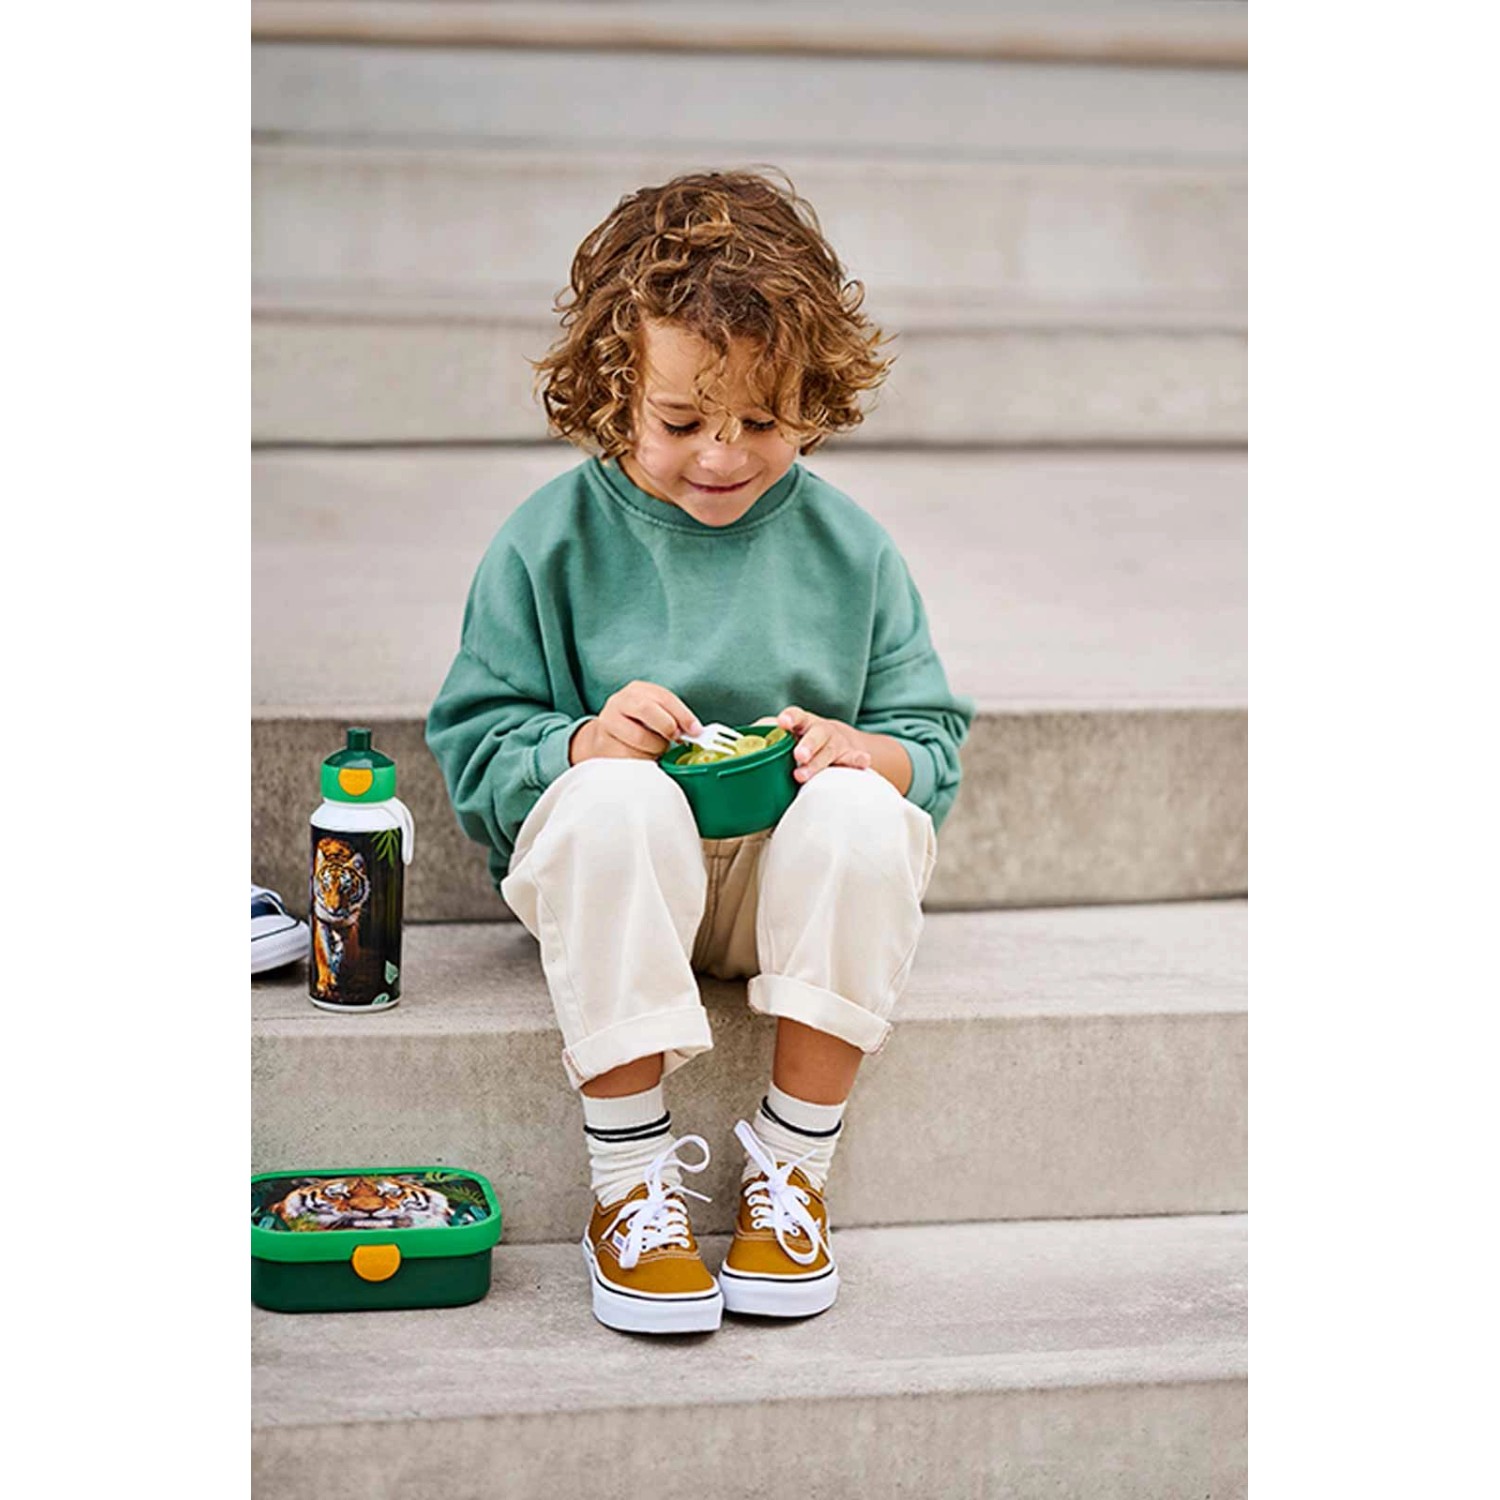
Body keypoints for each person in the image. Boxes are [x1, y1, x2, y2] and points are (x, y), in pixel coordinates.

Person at [427, 170, 973, 1334]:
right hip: (625, 889)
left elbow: (934, 745)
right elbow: (476, 750)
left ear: (812, 400)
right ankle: (628, 1186)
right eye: (682, 423)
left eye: (763, 424)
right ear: (614, 390)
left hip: (776, 888)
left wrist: (857, 752)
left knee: (866, 811)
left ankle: (791, 1173)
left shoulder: (853, 550)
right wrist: (581, 742)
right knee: (615, 798)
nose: (722, 457)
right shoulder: (548, 544)